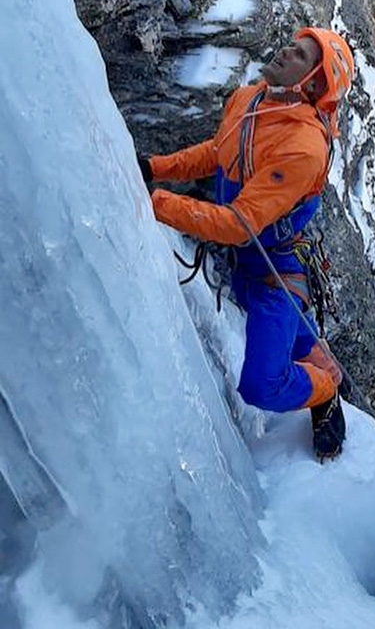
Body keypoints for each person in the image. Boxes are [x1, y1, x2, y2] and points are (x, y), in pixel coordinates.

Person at [138, 27, 355, 460]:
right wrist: (155, 167)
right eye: (291, 43)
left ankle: (326, 389)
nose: (285, 49)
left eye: (299, 54)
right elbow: (219, 152)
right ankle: (322, 363)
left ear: (311, 83)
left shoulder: (304, 146)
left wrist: (157, 203)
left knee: (262, 384)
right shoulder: (250, 99)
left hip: (277, 270)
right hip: (250, 264)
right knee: (287, 338)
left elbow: (240, 224)